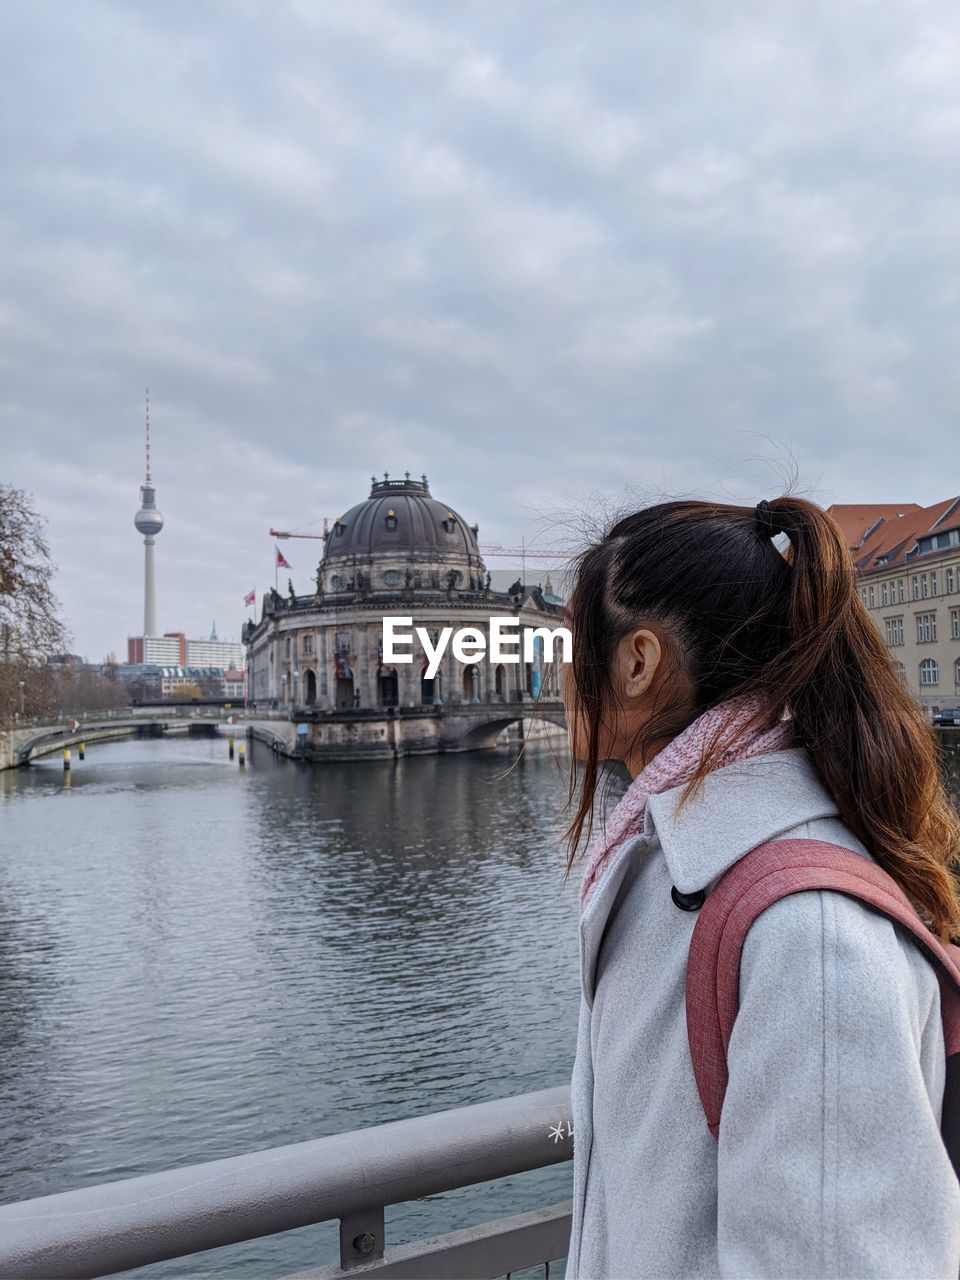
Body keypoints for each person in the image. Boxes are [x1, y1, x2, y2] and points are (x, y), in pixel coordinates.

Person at [561, 495, 960, 1279]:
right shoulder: (661, 862)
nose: (559, 675)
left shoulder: (809, 936)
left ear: (638, 663)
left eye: (574, 648)